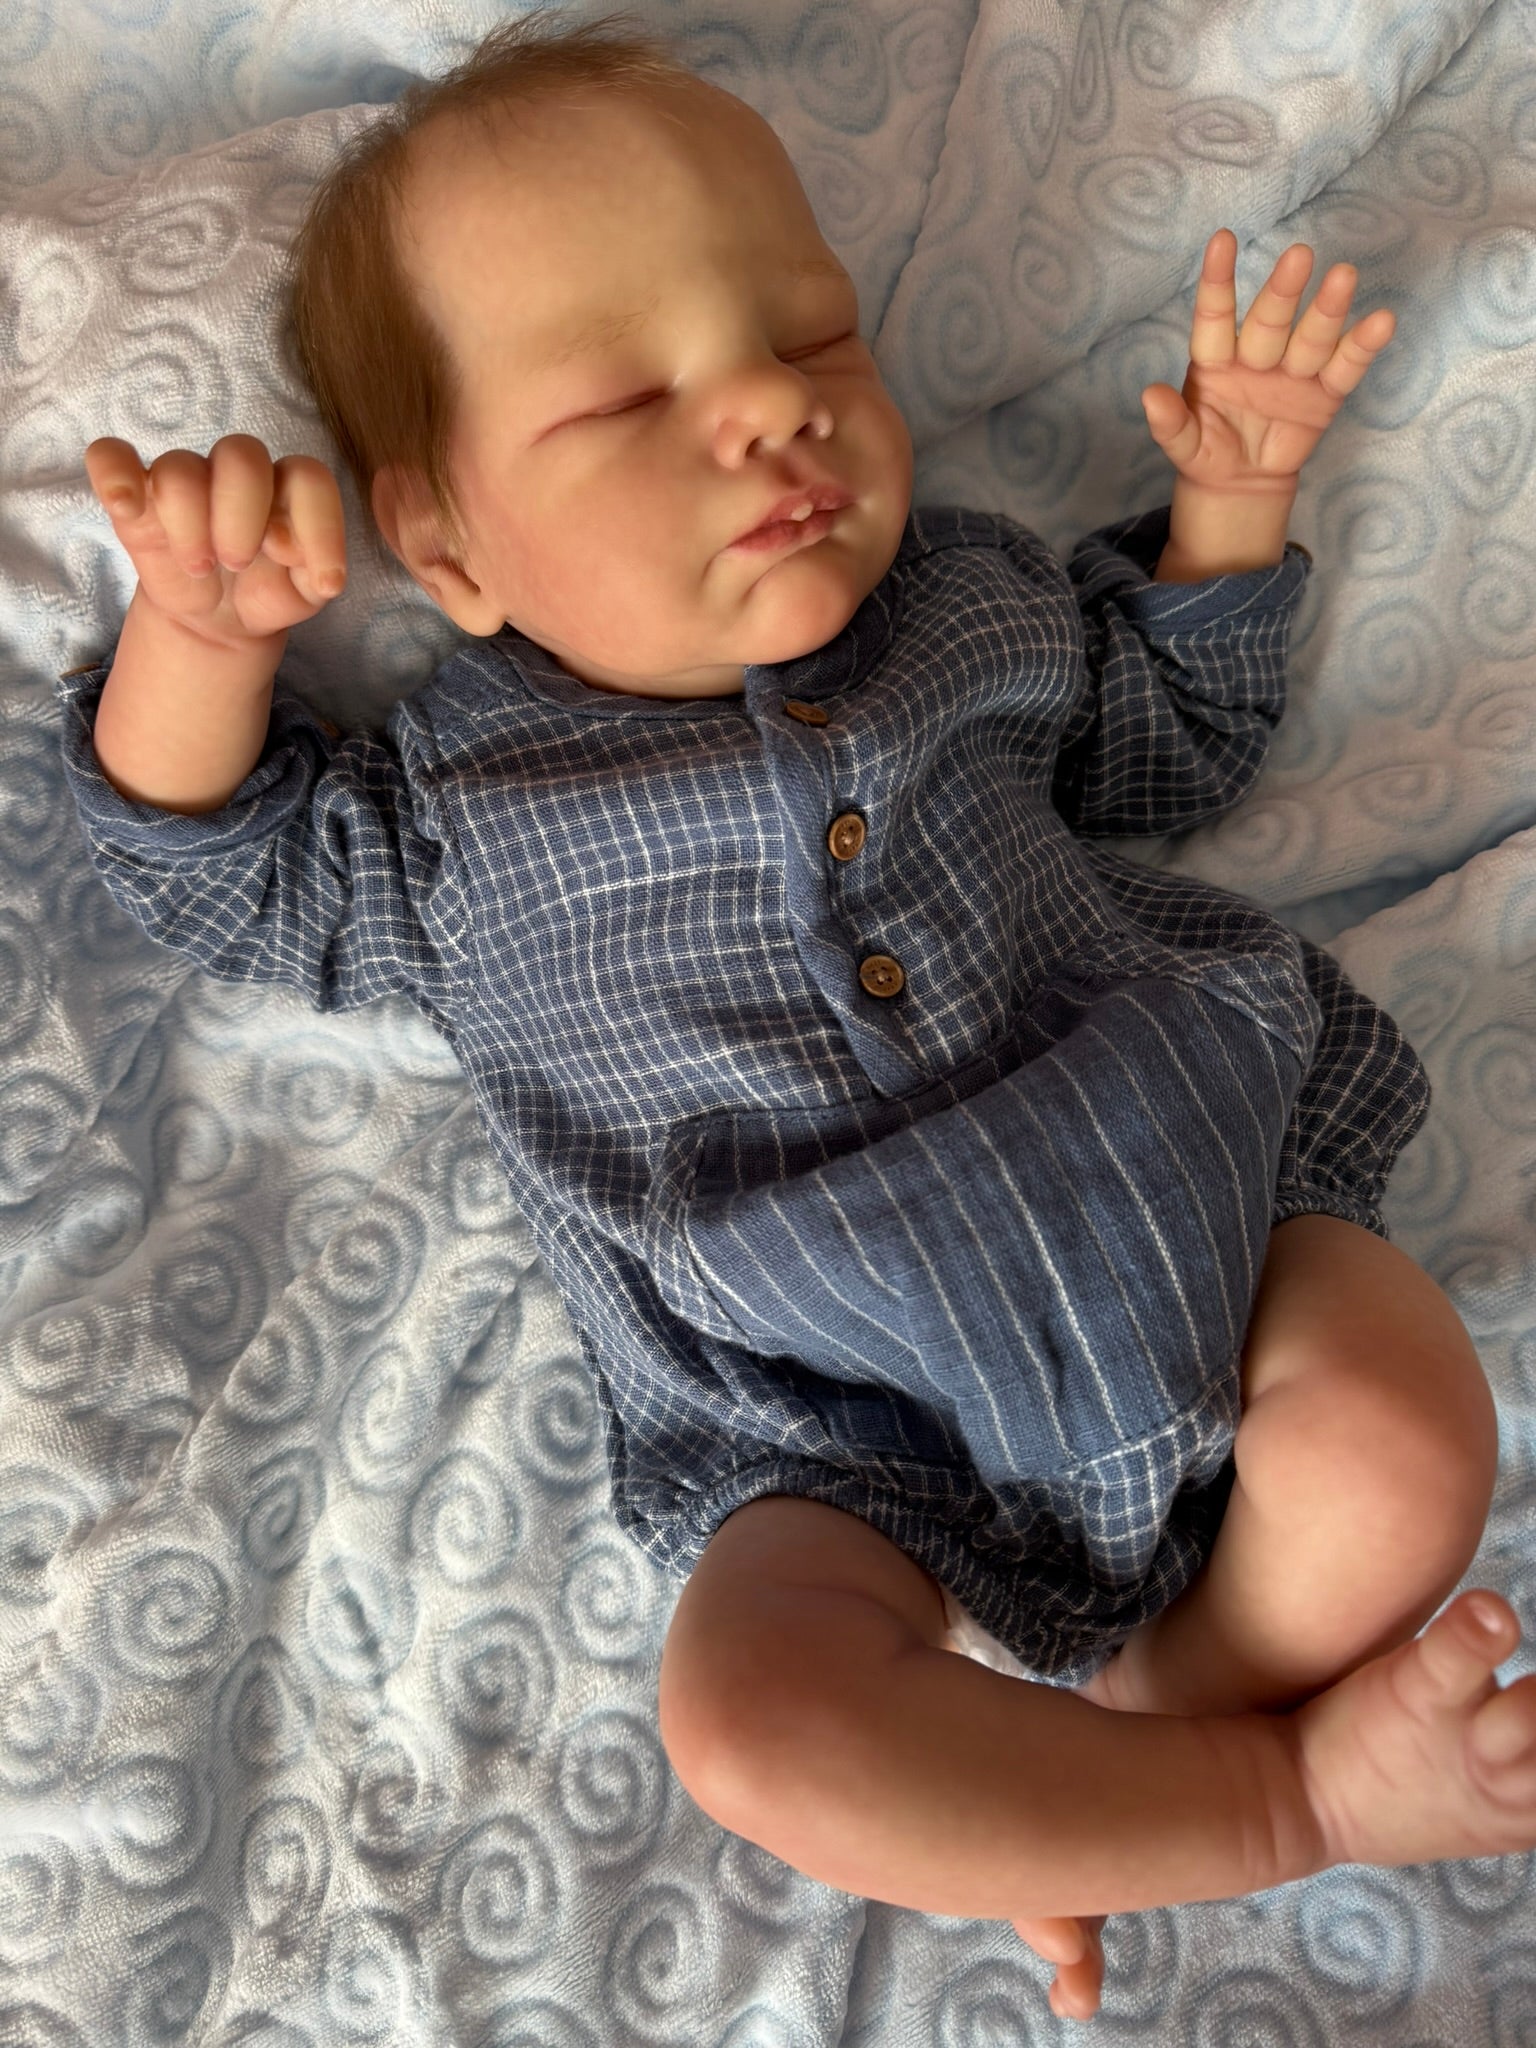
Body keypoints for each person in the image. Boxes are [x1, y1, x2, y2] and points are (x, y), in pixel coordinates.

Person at [56, 13, 1535, 2027]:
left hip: (1197, 1191)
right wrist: (201, 637)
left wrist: (1233, 505)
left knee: (1396, 1439)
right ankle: (1278, 1793)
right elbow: (202, 866)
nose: (770, 401)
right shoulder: (450, 823)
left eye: (815, 336)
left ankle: (1138, 1728)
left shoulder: (972, 609)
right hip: (823, 1423)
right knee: (752, 1723)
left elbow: (1163, 738)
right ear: (450, 546)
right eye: (624, 394)